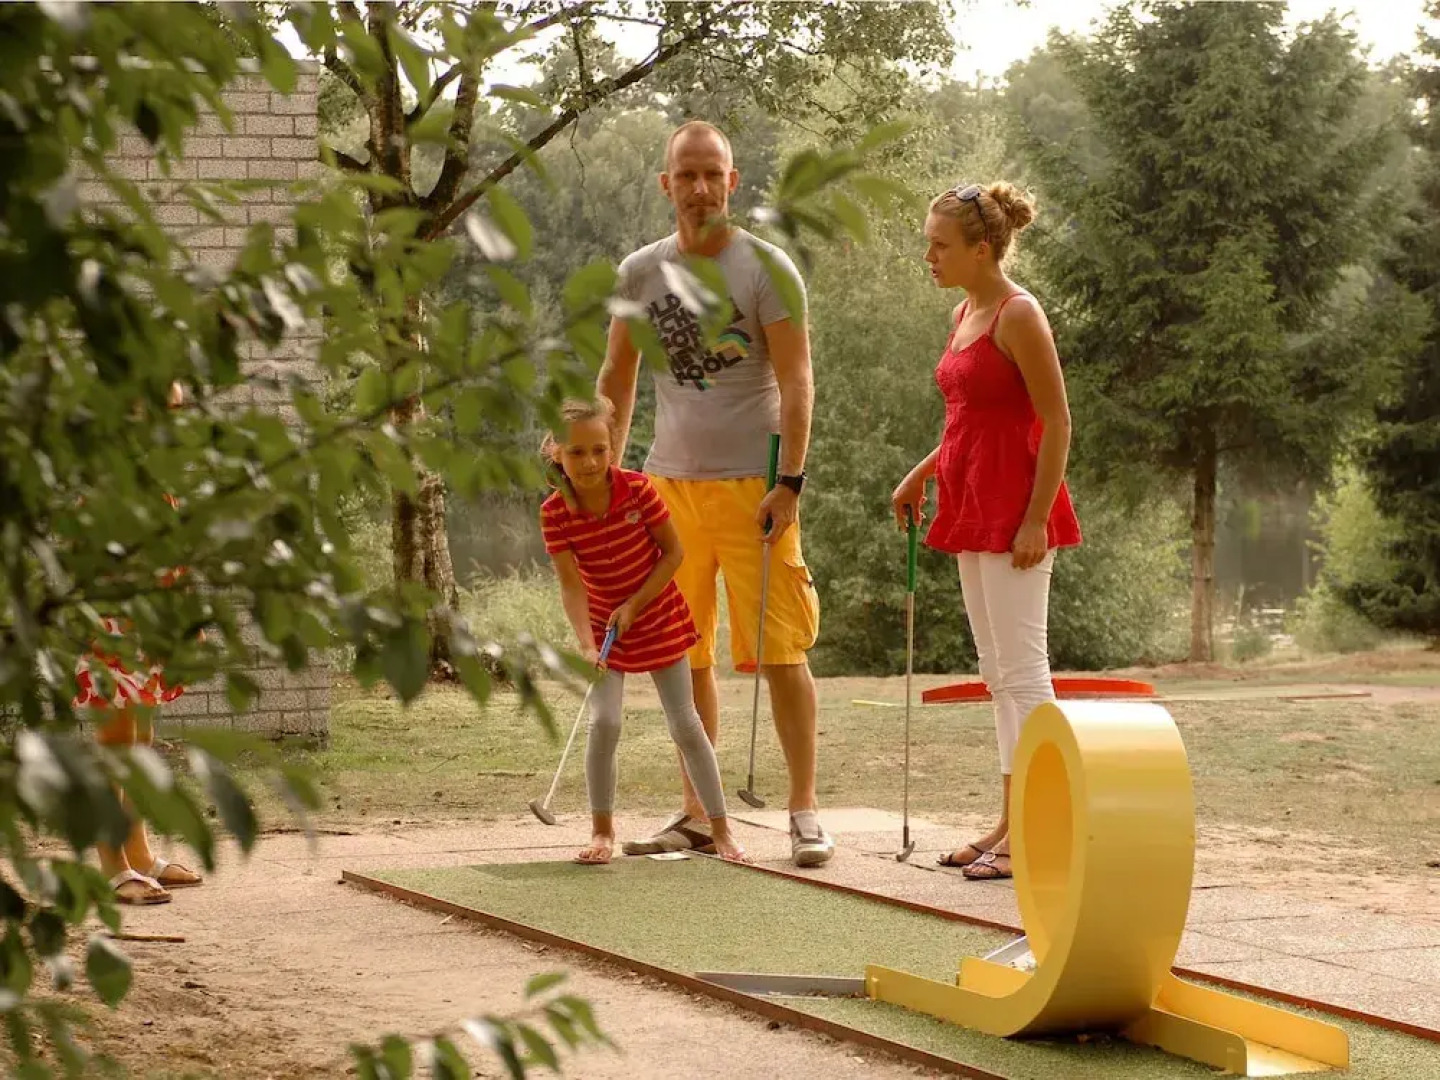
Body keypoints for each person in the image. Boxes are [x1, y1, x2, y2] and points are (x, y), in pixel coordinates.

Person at [597, 120, 833, 867]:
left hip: (755, 491)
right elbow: (618, 377)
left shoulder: (767, 267)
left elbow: (797, 380)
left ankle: (803, 810)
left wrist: (790, 480)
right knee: (683, 655)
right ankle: (699, 812)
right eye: (686, 175)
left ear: (734, 183)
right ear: (665, 184)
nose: (700, 188)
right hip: (668, 491)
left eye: (713, 175)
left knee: (782, 652)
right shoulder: (639, 272)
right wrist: (604, 470)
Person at [890, 182, 1082, 881]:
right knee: (998, 675)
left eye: (939, 245)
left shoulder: (1018, 313)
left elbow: (1057, 422)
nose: (928, 255)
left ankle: (1039, 829)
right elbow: (970, 417)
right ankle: (1011, 821)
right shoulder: (964, 311)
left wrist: (1036, 518)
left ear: (980, 248)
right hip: (970, 505)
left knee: (1026, 676)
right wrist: (922, 473)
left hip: (1017, 514)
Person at [541, 397, 748, 866]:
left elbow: (673, 554)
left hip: (655, 615)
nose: (591, 462)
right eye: (577, 453)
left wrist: (635, 603)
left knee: (685, 724)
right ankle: (602, 833)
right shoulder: (554, 512)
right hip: (602, 626)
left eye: (600, 449)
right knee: (605, 723)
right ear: (557, 453)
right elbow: (572, 587)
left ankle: (721, 831)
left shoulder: (637, 489)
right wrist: (587, 644)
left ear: (611, 446)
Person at [76, 380, 204, 905]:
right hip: (111, 622)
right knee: (114, 744)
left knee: (141, 740)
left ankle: (141, 852)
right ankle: (111, 865)